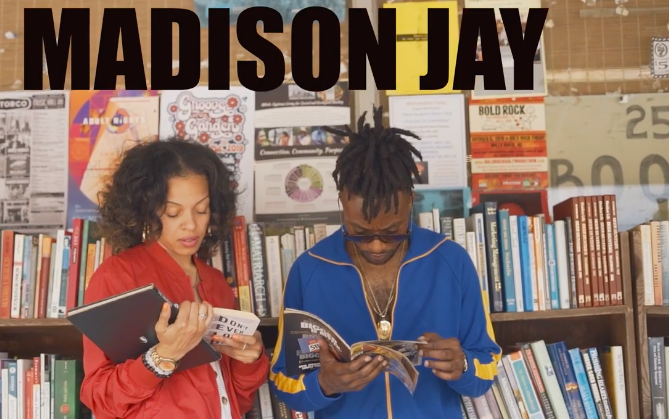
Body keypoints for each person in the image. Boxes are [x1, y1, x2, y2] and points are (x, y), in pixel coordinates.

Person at [268, 107, 501, 418]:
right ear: (341, 202)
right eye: (359, 233)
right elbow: (284, 381)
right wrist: (324, 383)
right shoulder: (308, 270)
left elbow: (487, 367)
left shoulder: (451, 261)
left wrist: (464, 366)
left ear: (410, 201)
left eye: (392, 233)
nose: (376, 245)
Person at [80, 137, 270, 418]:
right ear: (145, 210)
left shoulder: (216, 282)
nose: (191, 224)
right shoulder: (118, 276)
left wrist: (250, 359)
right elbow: (100, 397)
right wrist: (161, 357)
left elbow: (237, 401)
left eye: (201, 209)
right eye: (173, 212)